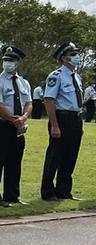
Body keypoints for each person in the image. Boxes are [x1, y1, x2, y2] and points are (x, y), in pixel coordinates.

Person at [0, 46, 32, 207]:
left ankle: (12, 195)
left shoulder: (24, 82)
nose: (7, 63)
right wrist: (14, 120)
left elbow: (29, 103)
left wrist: (24, 118)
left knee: (14, 162)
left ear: (18, 63)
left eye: (11, 60)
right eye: (5, 60)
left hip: (18, 127)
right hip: (1, 126)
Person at [40, 42, 84, 202]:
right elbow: (49, 100)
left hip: (75, 118)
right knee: (55, 156)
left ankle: (64, 190)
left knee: (71, 155)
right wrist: (54, 125)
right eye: (73, 54)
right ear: (64, 58)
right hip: (61, 118)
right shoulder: (56, 76)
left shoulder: (76, 77)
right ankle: (48, 191)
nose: (77, 57)